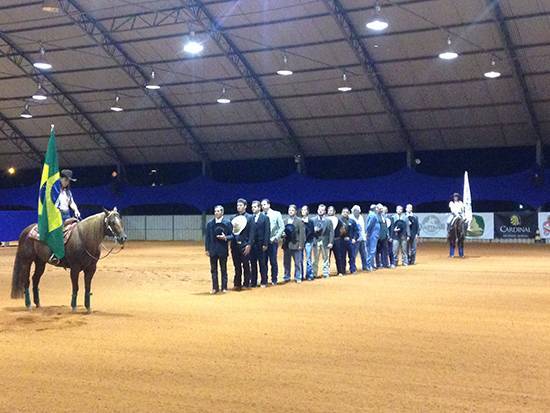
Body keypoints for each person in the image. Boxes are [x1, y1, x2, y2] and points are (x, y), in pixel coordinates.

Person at [205, 205, 233, 294]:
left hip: (223, 249)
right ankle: (215, 288)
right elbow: (207, 237)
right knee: (213, 270)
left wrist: (225, 237)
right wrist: (207, 249)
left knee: (223, 269)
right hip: (213, 249)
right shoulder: (210, 223)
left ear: (222, 212)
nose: (216, 213)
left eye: (218, 211)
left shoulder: (227, 223)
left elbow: (232, 236)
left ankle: (224, 287)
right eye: (215, 211)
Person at [230, 199, 255, 290]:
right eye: (238, 205)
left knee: (246, 265)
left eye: (240, 205)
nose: (239, 207)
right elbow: (231, 232)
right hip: (234, 245)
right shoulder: (233, 218)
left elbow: (252, 232)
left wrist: (249, 244)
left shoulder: (250, 217)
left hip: (245, 245)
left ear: (245, 206)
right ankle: (237, 283)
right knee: (236, 265)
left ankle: (246, 283)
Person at [261, 199, 284, 285]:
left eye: (264, 204)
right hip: (263, 242)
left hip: (272, 241)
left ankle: (274, 279)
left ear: (269, 205)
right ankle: (265, 280)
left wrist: (276, 238)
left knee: (273, 261)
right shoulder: (261, 215)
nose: (263, 206)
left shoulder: (276, 214)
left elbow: (282, 227)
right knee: (263, 261)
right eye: (262, 205)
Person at [250, 200, 270, 288]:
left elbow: (267, 232)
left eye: (255, 207)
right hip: (252, 245)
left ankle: (264, 281)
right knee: (253, 263)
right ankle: (253, 282)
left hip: (261, 244)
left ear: (259, 208)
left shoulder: (265, 218)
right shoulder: (251, 218)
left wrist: (265, 244)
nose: (253, 208)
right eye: (252, 207)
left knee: (262, 263)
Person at [283, 205, 305, 283]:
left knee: (297, 262)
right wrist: (282, 235)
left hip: (296, 244)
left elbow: (302, 234)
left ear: (295, 212)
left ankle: (298, 277)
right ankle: (286, 277)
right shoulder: (285, 221)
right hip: (287, 245)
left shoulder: (299, 221)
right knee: (286, 262)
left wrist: (301, 245)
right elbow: (283, 231)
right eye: (289, 210)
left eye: (292, 210)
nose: (290, 212)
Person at [311, 204, 334, 278]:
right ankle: (314, 273)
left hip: (325, 242)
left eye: (322, 210)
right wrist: (313, 230)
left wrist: (331, 242)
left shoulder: (328, 221)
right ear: (317, 210)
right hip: (316, 241)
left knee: (326, 258)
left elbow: (331, 232)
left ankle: (325, 273)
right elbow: (309, 231)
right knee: (315, 259)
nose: (320, 211)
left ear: (325, 211)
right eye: (319, 210)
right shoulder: (313, 220)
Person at [327, 206, 345, 276]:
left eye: (331, 210)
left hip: (336, 240)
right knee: (327, 257)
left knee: (338, 256)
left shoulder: (338, 220)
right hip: (327, 241)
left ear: (334, 212)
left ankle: (340, 271)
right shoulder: (325, 219)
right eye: (329, 210)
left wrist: (339, 237)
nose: (330, 212)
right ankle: (326, 272)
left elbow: (343, 230)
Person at [340, 208, 358, 274]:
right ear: (341, 213)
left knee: (352, 256)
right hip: (342, 242)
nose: (345, 213)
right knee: (342, 256)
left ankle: (353, 269)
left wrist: (354, 238)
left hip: (350, 242)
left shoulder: (352, 221)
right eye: (344, 212)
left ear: (349, 213)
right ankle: (342, 270)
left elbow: (356, 231)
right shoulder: (339, 221)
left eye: (346, 212)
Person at [350, 205, 368, 272]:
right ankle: (353, 267)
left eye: (357, 210)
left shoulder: (361, 217)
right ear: (352, 211)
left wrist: (364, 236)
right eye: (355, 210)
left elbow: (362, 228)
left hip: (362, 238)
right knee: (353, 254)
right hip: (355, 239)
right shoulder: (350, 217)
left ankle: (365, 266)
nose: (356, 211)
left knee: (364, 254)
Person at [301, 205, 315, 281]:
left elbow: (311, 231)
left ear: (307, 211)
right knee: (300, 259)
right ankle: (300, 275)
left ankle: (309, 275)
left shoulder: (310, 221)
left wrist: (306, 239)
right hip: (300, 242)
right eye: (302, 210)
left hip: (308, 242)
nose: (303, 211)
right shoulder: (299, 221)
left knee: (308, 259)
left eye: (305, 210)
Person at [365, 204, 381, 272]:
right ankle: (369, 265)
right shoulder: (373, 215)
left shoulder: (372, 214)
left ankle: (370, 265)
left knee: (371, 250)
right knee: (371, 250)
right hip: (372, 235)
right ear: (374, 209)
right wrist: (367, 234)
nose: (377, 209)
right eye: (377, 208)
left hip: (372, 235)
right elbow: (369, 225)